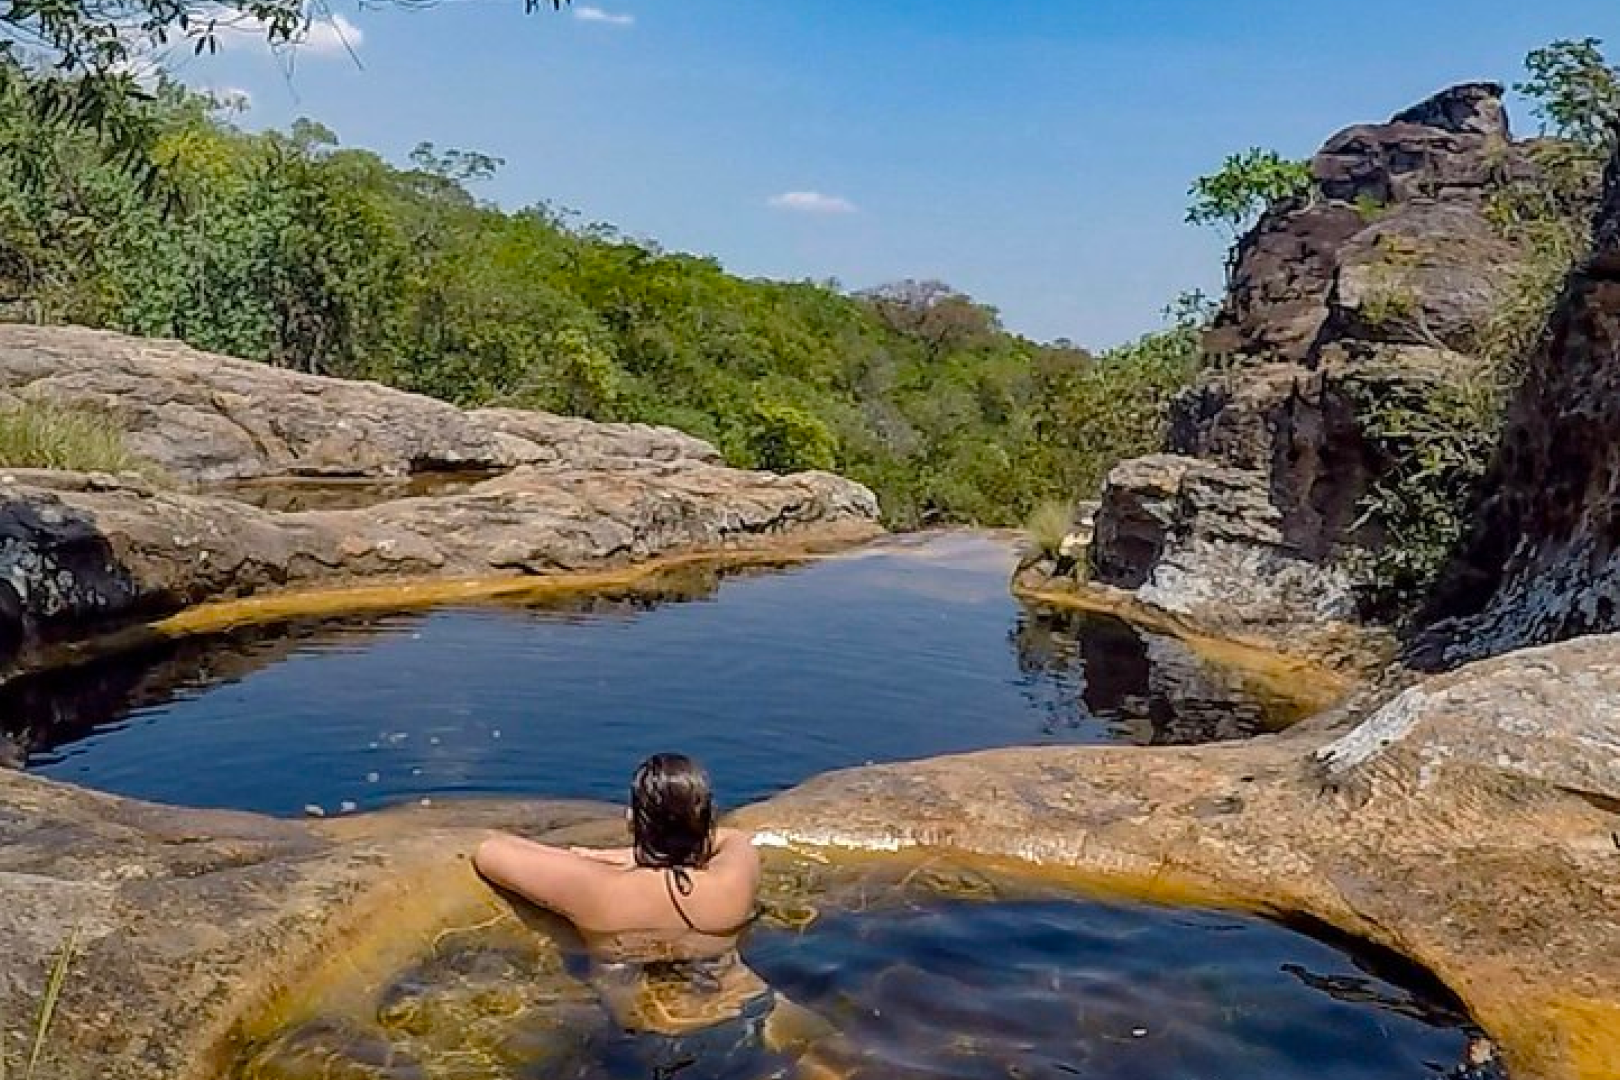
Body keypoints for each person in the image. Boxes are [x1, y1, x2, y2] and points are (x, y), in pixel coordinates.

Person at [474, 752, 761, 950]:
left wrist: (590, 860)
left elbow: (490, 851)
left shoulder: (601, 888)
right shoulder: (731, 882)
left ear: (632, 820)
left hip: (637, 1020)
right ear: (707, 819)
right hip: (735, 1003)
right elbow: (730, 838)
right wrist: (635, 855)